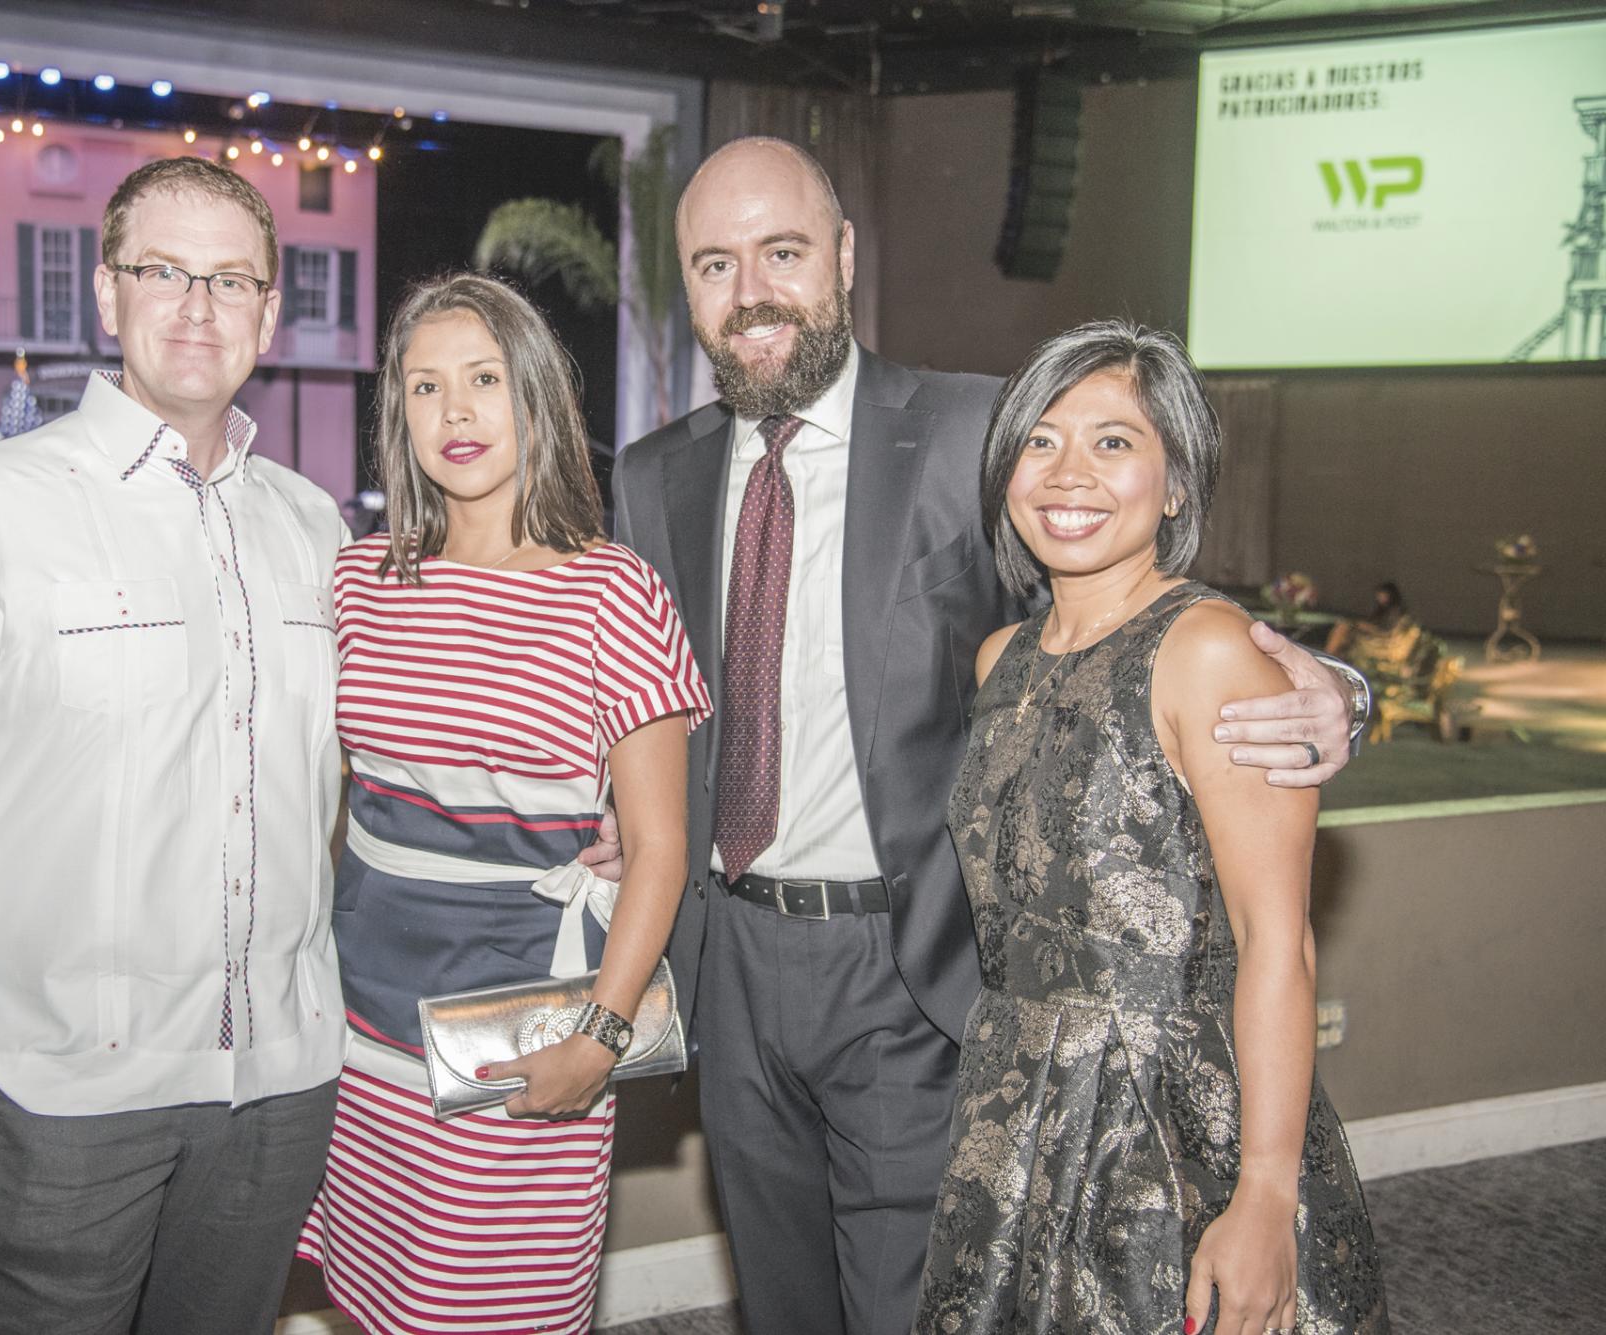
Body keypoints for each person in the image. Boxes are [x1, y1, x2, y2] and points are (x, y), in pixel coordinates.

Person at [608, 137, 1367, 1335]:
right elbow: (642, 693)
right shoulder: (652, 479)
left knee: (916, 1307)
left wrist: (1330, 684)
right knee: (782, 1298)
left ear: (844, 259)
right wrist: (626, 824)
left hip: (911, 969)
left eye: (782, 252)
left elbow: (1135, 601)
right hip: (730, 967)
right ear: (684, 287)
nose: (749, 290)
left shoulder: (981, 432)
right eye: (714, 262)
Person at [0, 157, 346, 1333]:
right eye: (163, 271)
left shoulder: (312, 528)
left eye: (231, 280)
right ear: (107, 295)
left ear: (269, 313)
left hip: (276, 1088)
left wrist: (592, 806)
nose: (197, 306)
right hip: (60, 1094)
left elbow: (376, 748)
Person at [914, 320, 1388, 1334]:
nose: (1066, 472)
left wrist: (1261, 1194)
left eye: (1112, 441)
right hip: (1014, 1107)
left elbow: (1277, 940)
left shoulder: (1205, 647)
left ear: (1174, 483)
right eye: (1037, 440)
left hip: (1169, 1125)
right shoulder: (1002, 657)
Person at [295, 273, 709, 1335]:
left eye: (483, 379)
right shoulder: (356, 581)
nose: (456, 412)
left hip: (519, 1021)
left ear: (534, 395)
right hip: (355, 1021)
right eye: (425, 387)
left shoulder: (611, 589)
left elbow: (659, 849)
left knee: (488, 1304)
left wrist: (597, 1036)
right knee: (375, 1297)